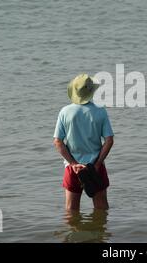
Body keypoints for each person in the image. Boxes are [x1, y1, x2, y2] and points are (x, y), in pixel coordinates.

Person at [53, 74, 114, 211]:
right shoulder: (100, 111)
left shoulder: (65, 112)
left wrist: (73, 164)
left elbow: (58, 141)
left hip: (72, 168)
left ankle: (74, 232)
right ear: (91, 91)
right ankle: (99, 231)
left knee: (71, 210)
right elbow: (109, 141)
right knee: (101, 209)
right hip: (95, 166)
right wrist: (97, 164)